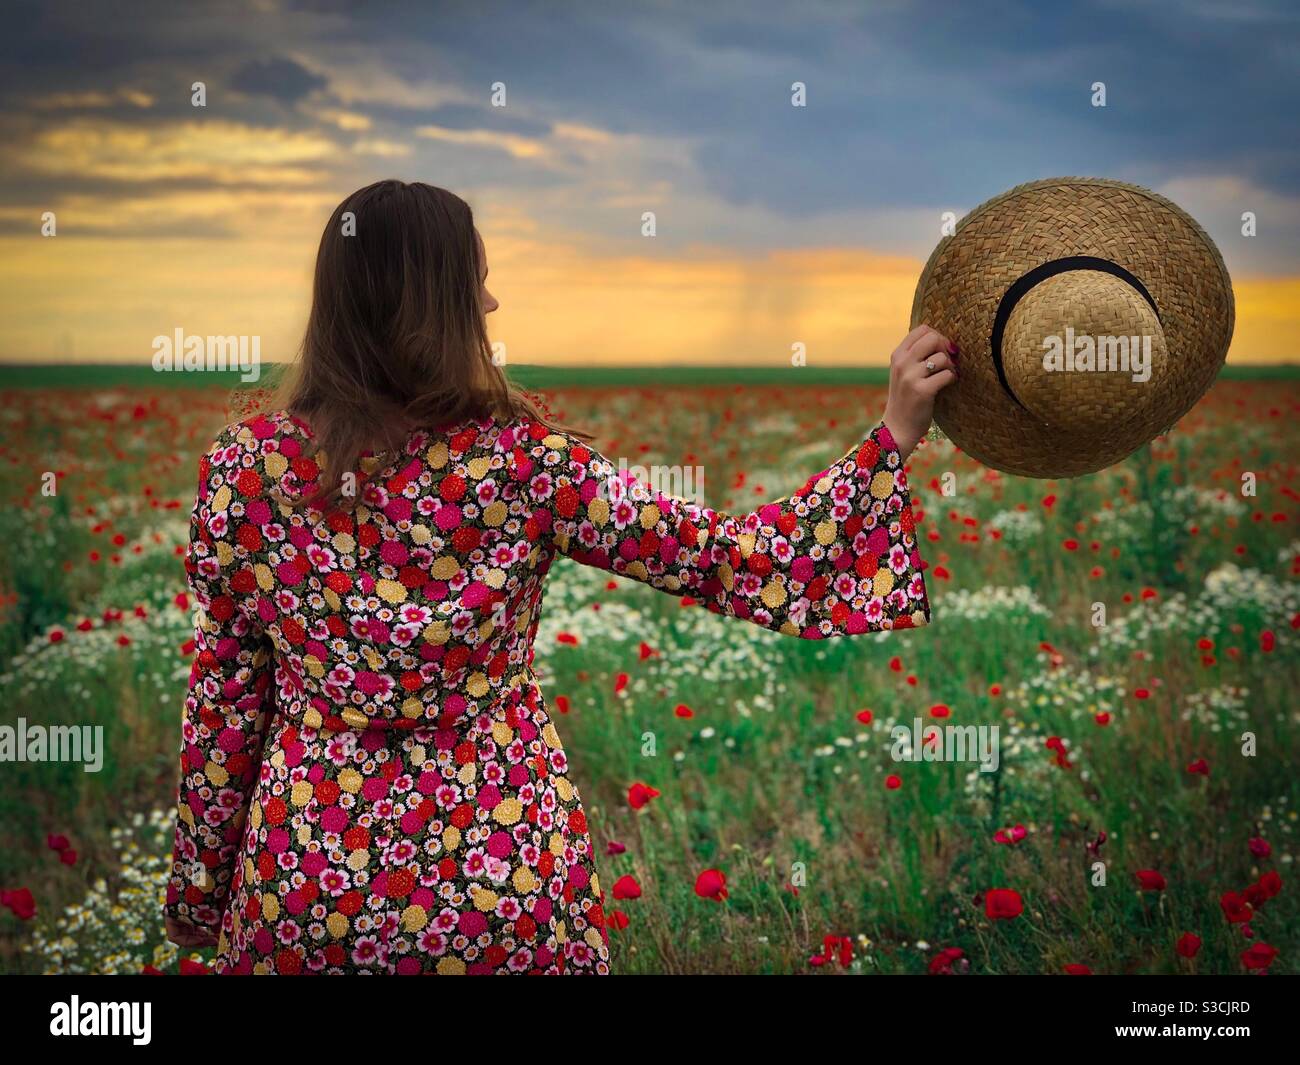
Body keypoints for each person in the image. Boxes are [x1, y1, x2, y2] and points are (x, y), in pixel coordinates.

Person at [163, 179, 956, 974]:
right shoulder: (529, 465)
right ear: (438, 304)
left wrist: (201, 891)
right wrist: (891, 435)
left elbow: (225, 695)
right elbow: (737, 560)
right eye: (475, 279)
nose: (492, 301)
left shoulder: (243, 470)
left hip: (306, 883)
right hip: (501, 875)